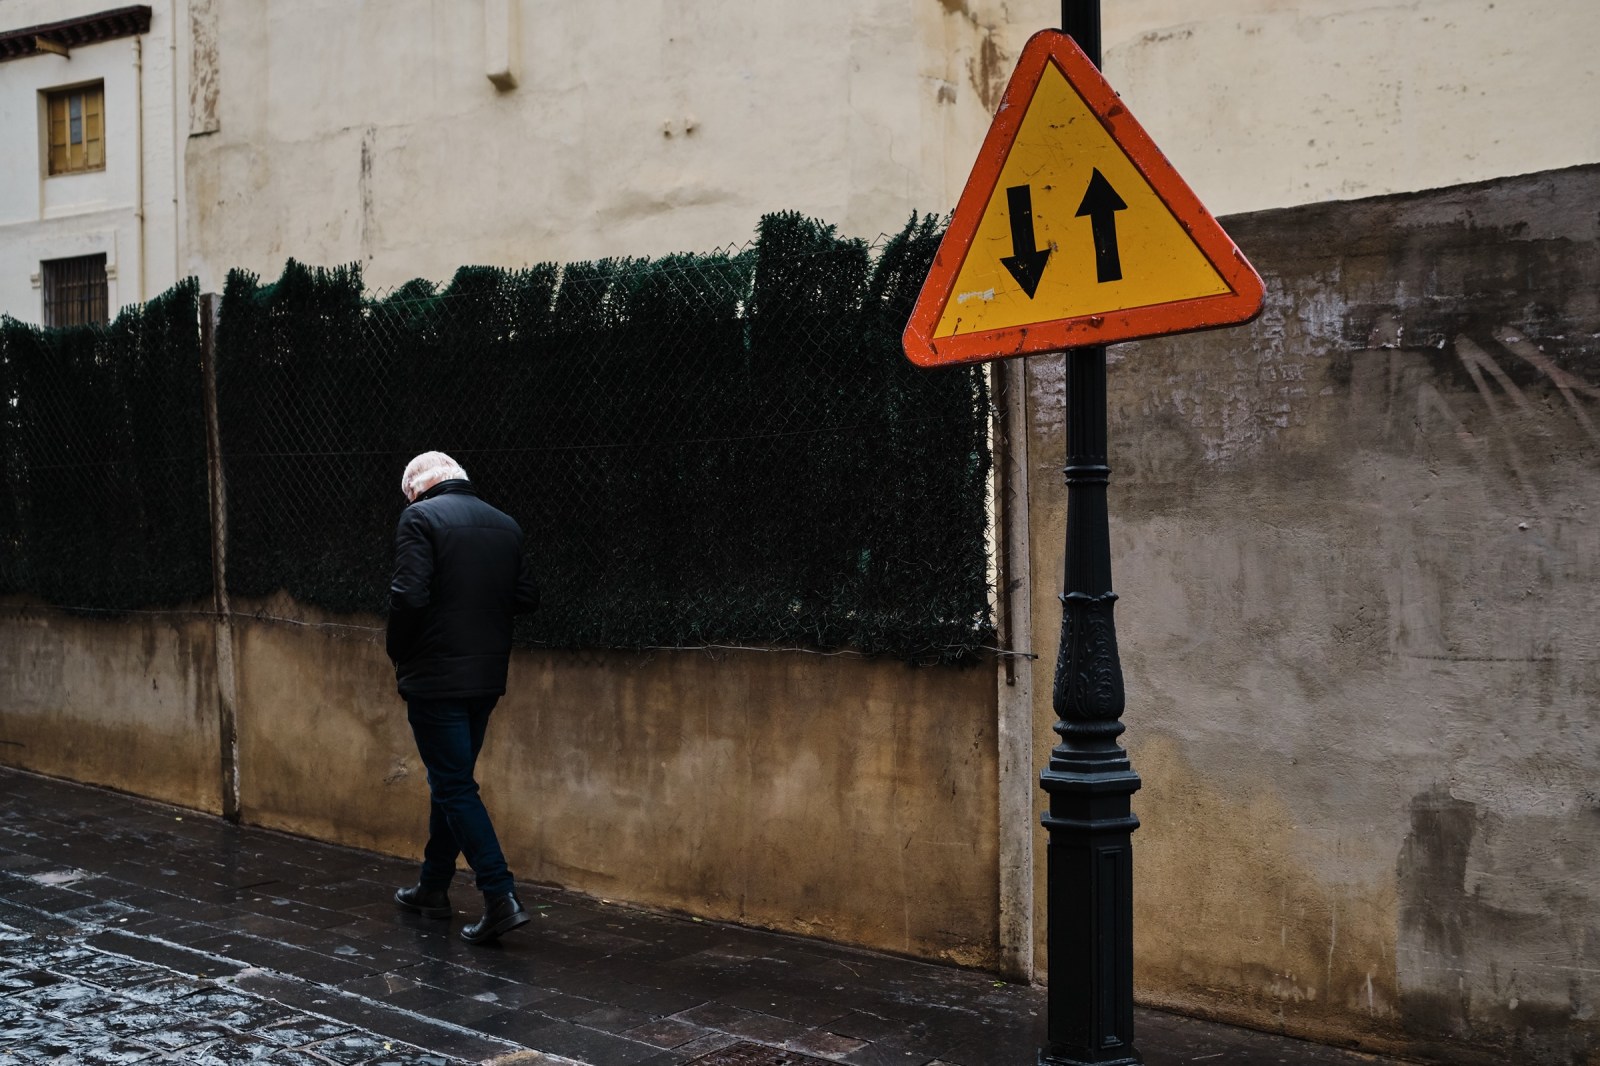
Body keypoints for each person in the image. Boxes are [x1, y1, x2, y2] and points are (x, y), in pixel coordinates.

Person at [386, 451, 539, 944]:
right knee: (451, 780)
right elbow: (526, 597)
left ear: (417, 489)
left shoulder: (420, 518)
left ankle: (500, 896)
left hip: (435, 676)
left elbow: (409, 596)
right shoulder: (504, 523)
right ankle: (433, 888)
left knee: (453, 785)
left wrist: (399, 652)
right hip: (486, 676)